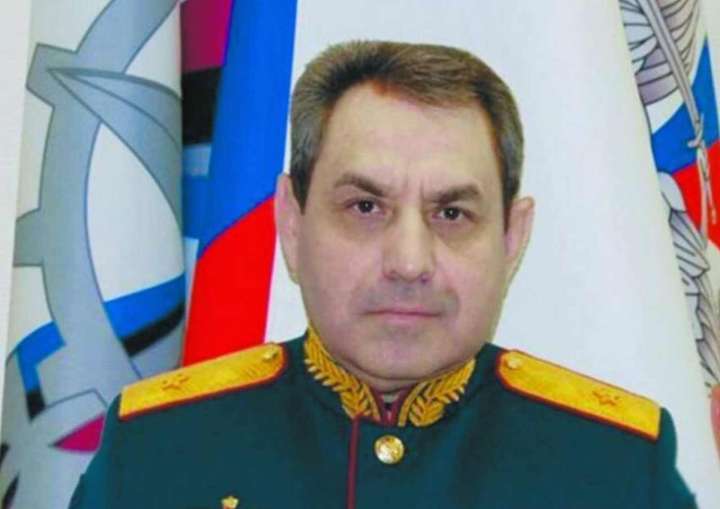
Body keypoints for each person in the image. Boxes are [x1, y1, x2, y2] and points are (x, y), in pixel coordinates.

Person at [69, 40, 696, 509]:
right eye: (365, 208)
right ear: (292, 225)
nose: (409, 262)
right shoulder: (155, 455)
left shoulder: (617, 470)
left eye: (452, 213)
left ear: (512, 239)